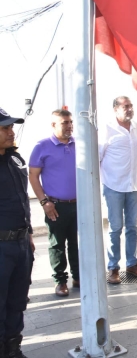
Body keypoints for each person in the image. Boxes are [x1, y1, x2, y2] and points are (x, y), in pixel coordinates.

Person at [28, 109, 79, 297]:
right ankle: (60, 281)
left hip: (78, 204)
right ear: (53, 125)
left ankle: (78, 277)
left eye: (70, 122)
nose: (69, 126)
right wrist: (44, 202)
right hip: (56, 205)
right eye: (64, 122)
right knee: (57, 244)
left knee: (75, 243)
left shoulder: (78, 144)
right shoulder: (42, 146)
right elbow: (33, 176)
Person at [99, 96, 137, 284]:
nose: (129, 109)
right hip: (114, 186)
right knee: (115, 228)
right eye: (125, 106)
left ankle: (132, 264)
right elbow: (98, 157)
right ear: (115, 109)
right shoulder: (106, 129)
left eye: (131, 105)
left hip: (133, 185)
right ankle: (113, 268)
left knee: (133, 227)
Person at [0, 108, 33, 358]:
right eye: (5, 128)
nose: (12, 132)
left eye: (11, 127)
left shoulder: (15, 160)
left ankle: (13, 348)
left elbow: (22, 201)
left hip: (21, 245)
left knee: (17, 302)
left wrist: (29, 235)